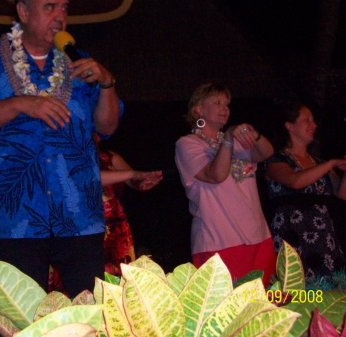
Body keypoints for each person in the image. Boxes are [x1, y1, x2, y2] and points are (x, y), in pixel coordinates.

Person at [0, 0, 121, 297]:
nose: (60, 16)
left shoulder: (81, 64)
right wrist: (20, 104)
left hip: (78, 215)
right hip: (15, 217)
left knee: (92, 313)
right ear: (23, 11)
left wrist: (107, 83)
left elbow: (107, 127)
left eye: (65, 8)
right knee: (21, 318)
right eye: (50, 6)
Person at [175, 82, 276, 285]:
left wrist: (254, 134)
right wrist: (228, 138)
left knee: (270, 305)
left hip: (259, 237)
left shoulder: (237, 141)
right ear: (199, 109)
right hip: (219, 241)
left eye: (227, 104)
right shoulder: (187, 144)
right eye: (218, 103)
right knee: (229, 312)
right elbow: (216, 175)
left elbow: (266, 152)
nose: (225, 109)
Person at [265, 101, 346, 280]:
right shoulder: (276, 160)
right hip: (293, 235)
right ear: (289, 125)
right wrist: (331, 163)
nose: (313, 125)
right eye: (306, 120)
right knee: (298, 290)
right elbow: (295, 181)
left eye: (313, 121)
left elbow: (341, 195)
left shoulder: (318, 162)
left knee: (329, 293)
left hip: (324, 236)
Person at [97, 137, 163, 275]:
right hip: (81, 227)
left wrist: (142, 182)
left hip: (115, 227)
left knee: (119, 276)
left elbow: (134, 181)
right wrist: (133, 174)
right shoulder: (63, 156)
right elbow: (90, 178)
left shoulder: (109, 157)